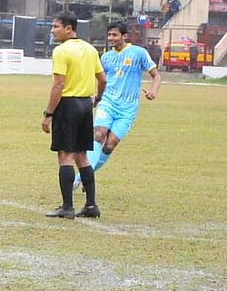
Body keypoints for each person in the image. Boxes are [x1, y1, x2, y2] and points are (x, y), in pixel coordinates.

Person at [41, 12, 107, 219]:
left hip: (68, 105)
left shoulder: (61, 51)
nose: (53, 30)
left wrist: (48, 113)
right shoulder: (90, 49)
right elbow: (102, 79)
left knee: (65, 156)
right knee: (82, 156)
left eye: (56, 27)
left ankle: (67, 207)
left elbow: (58, 85)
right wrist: (96, 99)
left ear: (69, 28)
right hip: (85, 105)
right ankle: (91, 205)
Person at [81, 22, 160, 183]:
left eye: (115, 35)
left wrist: (153, 91)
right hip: (107, 102)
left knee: (109, 145)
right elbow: (101, 80)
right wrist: (96, 97)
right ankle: (83, 177)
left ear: (124, 36)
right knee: (98, 134)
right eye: (109, 35)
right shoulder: (106, 57)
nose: (111, 38)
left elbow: (156, 76)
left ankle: (84, 176)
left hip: (128, 108)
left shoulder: (138, 53)